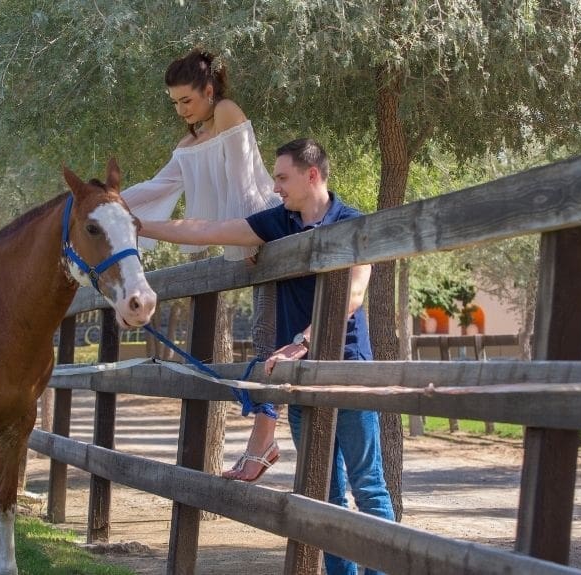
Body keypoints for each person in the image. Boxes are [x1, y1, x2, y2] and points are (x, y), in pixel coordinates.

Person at [140, 138, 396, 575]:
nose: (275, 187)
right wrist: (139, 225)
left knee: (369, 488)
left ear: (311, 174)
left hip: (348, 369)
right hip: (298, 375)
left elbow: (353, 294)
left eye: (282, 177)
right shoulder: (280, 222)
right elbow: (206, 230)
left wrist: (304, 339)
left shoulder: (352, 222)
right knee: (326, 493)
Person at [120, 49, 284, 482]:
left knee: (270, 333)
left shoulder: (228, 112)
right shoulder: (188, 145)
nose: (181, 110)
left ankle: (263, 444)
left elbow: (246, 180)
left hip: (266, 224)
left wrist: (250, 233)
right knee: (268, 333)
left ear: (209, 92)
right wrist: (110, 203)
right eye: (174, 103)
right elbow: (160, 185)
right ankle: (262, 444)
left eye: (187, 101)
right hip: (241, 233)